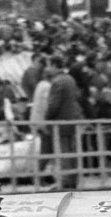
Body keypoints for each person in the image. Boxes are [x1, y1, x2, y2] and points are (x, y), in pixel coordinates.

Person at [45, 54, 83, 189]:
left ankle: (65, 181)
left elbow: (53, 105)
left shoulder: (57, 81)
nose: (48, 69)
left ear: (55, 66)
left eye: (49, 65)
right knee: (71, 152)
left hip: (60, 122)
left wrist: (46, 118)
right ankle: (73, 179)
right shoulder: (70, 79)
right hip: (72, 120)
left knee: (63, 152)